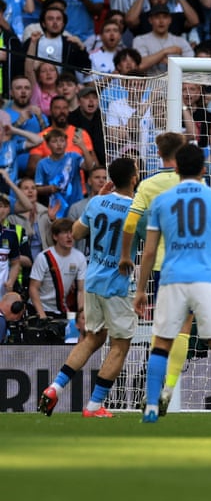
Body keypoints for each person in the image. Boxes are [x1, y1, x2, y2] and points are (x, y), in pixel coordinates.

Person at [132, 144, 211, 424]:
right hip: (208, 279)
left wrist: (140, 290)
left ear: (175, 168)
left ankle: (151, 409)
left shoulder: (162, 201)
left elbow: (149, 252)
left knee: (162, 344)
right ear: (203, 168)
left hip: (172, 279)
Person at [38, 158, 138, 418]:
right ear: (134, 178)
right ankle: (94, 405)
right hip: (117, 284)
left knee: (92, 339)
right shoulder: (138, 208)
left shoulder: (97, 202)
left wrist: (99, 200)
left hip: (93, 279)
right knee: (120, 345)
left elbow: (77, 232)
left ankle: (54, 388)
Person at [117, 131, 188, 414]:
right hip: (194, 264)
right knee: (185, 329)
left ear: (158, 154)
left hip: (162, 265)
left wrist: (125, 255)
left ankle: (152, 398)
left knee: (162, 332)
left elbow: (130, 223)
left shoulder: (148, 185)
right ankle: (169, 387)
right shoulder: (195, 182)